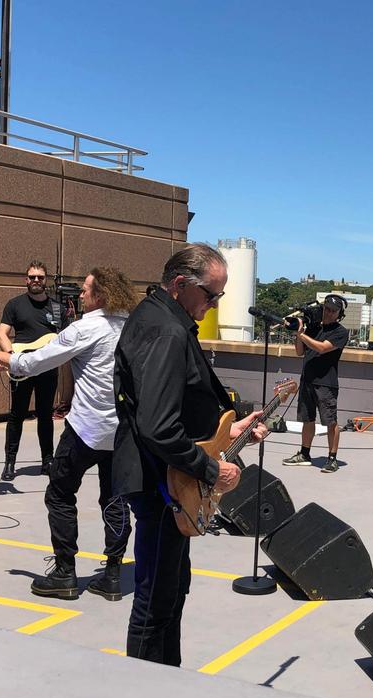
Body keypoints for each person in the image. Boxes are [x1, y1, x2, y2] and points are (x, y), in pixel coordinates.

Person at [113, 243, 267, 666]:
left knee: (171, 589)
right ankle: (146, 692)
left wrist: (228, 433)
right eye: (211, 295)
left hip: (165, 479)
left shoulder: (159, 318)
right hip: (164, 484)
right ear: (180, 284)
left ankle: (168, 679)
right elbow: (159, 426)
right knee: (155, 600)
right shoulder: (168, 331)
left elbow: (172, 410)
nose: (215, 304)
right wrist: (211, 469)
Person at [0, 267, 136, 601]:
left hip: (86, 428)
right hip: (123, 432)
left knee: (60, 495)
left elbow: (33, 363)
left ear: (101, 294)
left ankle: (64, 573)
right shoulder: (135, 327)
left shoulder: (86, 327)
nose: (80, 294)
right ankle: (112, 575)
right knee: (115, 500)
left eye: (86, 289)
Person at [0, 260, 59, 480]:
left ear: (45, 280)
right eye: (32, 277)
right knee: (17, 415)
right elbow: (2, 333)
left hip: (48, 369)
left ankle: (47, 461)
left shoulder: (56, 307)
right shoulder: (14, 304)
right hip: (22, 368)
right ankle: (10, 462)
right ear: (26, 280)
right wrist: (13, 358)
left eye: (40, 277)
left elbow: (66, 338)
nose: (36, 281)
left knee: (45, 415)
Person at [282, 295, 350, 473]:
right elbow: (299, 352)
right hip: (308, 380)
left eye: (333, 311)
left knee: (330, 422)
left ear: (339, 314)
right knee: (307, 419)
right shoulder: (313, 328)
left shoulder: (341, 332)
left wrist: (302, 334)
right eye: (326, 309)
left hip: (326, 383)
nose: (328, 313)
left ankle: (332, 458)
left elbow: (322, 348)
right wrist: (299, 332)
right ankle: (304, 453)